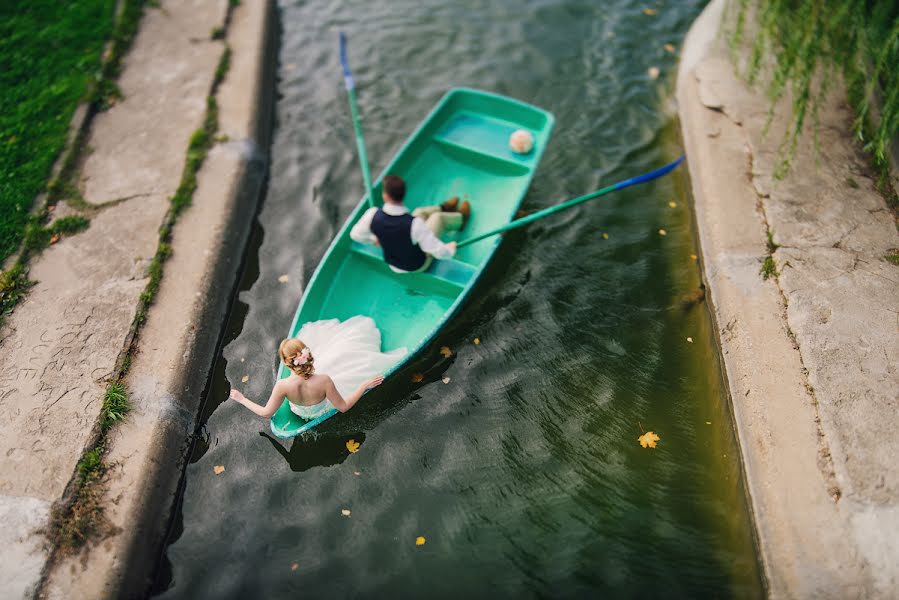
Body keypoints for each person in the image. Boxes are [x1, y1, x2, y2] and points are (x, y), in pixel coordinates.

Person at [230, 315, 406, 420]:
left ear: (286, 362)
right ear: (305, 356)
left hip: (301, 413)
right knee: (345, 363)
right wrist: (363, 386)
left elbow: (266, 413)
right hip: (322, 411)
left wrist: (242, 398)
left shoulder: (282, 386)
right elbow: (343, 408)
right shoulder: (324, 380)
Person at [350, 174, 471, 273]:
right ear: (403, 195)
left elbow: (355, 235)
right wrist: (450, 250)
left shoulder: (372, 215)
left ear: (385, 197)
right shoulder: (414, 224)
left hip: (393, 265)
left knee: (419, 212)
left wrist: (373, 239)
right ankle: (461, 220)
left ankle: (444, 208)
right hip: (417, 265)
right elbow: (436, 250)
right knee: (437, 218)